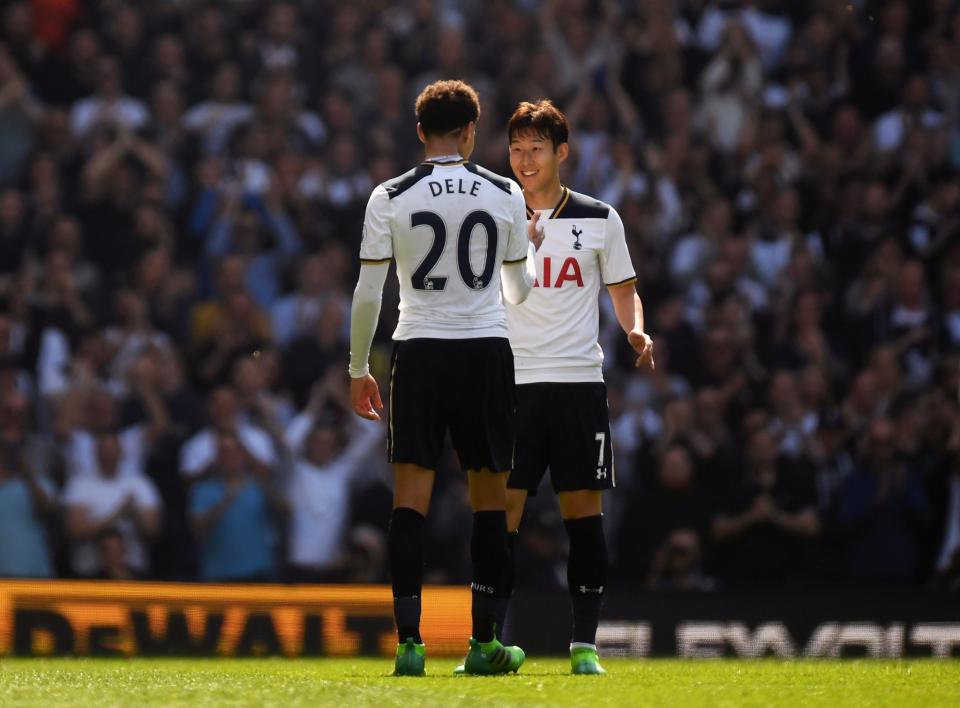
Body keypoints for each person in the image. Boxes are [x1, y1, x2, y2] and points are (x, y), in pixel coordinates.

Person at [348, 79, 541, 676]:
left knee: (410, 501)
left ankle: (410, 645)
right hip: (484, 350)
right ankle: (485, 643)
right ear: (470, 132)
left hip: (420, 350)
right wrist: (528, 249)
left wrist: (359, 369)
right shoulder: (504, 192)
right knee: (491, 503)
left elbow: (367, 293)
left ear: (419, 133)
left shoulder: (390, 194)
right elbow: (517, 290)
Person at [499, 100, 654, 675]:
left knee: (584, 519)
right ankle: (486, 640)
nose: (525, 158)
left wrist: (635, 330)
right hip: (512, 384)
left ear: (562, 152)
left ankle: (584, 646)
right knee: (501, 518)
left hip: (577, 383)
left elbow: (622, 288)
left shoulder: (599, 218)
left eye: (536, 147)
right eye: (516, 148)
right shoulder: (497, 217)